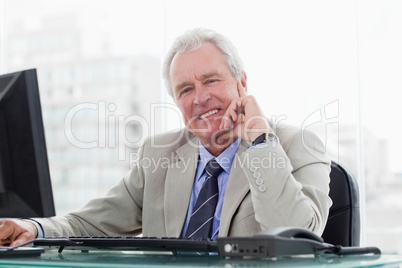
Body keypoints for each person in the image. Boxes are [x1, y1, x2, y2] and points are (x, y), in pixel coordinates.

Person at [0, 28, 332, 247]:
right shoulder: (159, 156)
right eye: (185, 89)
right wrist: (35, 229)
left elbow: (297, 241)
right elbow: (92, 223)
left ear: (242, 83)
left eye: (211, 80)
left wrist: (260, 140)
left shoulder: (296, 145)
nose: (200, 98)